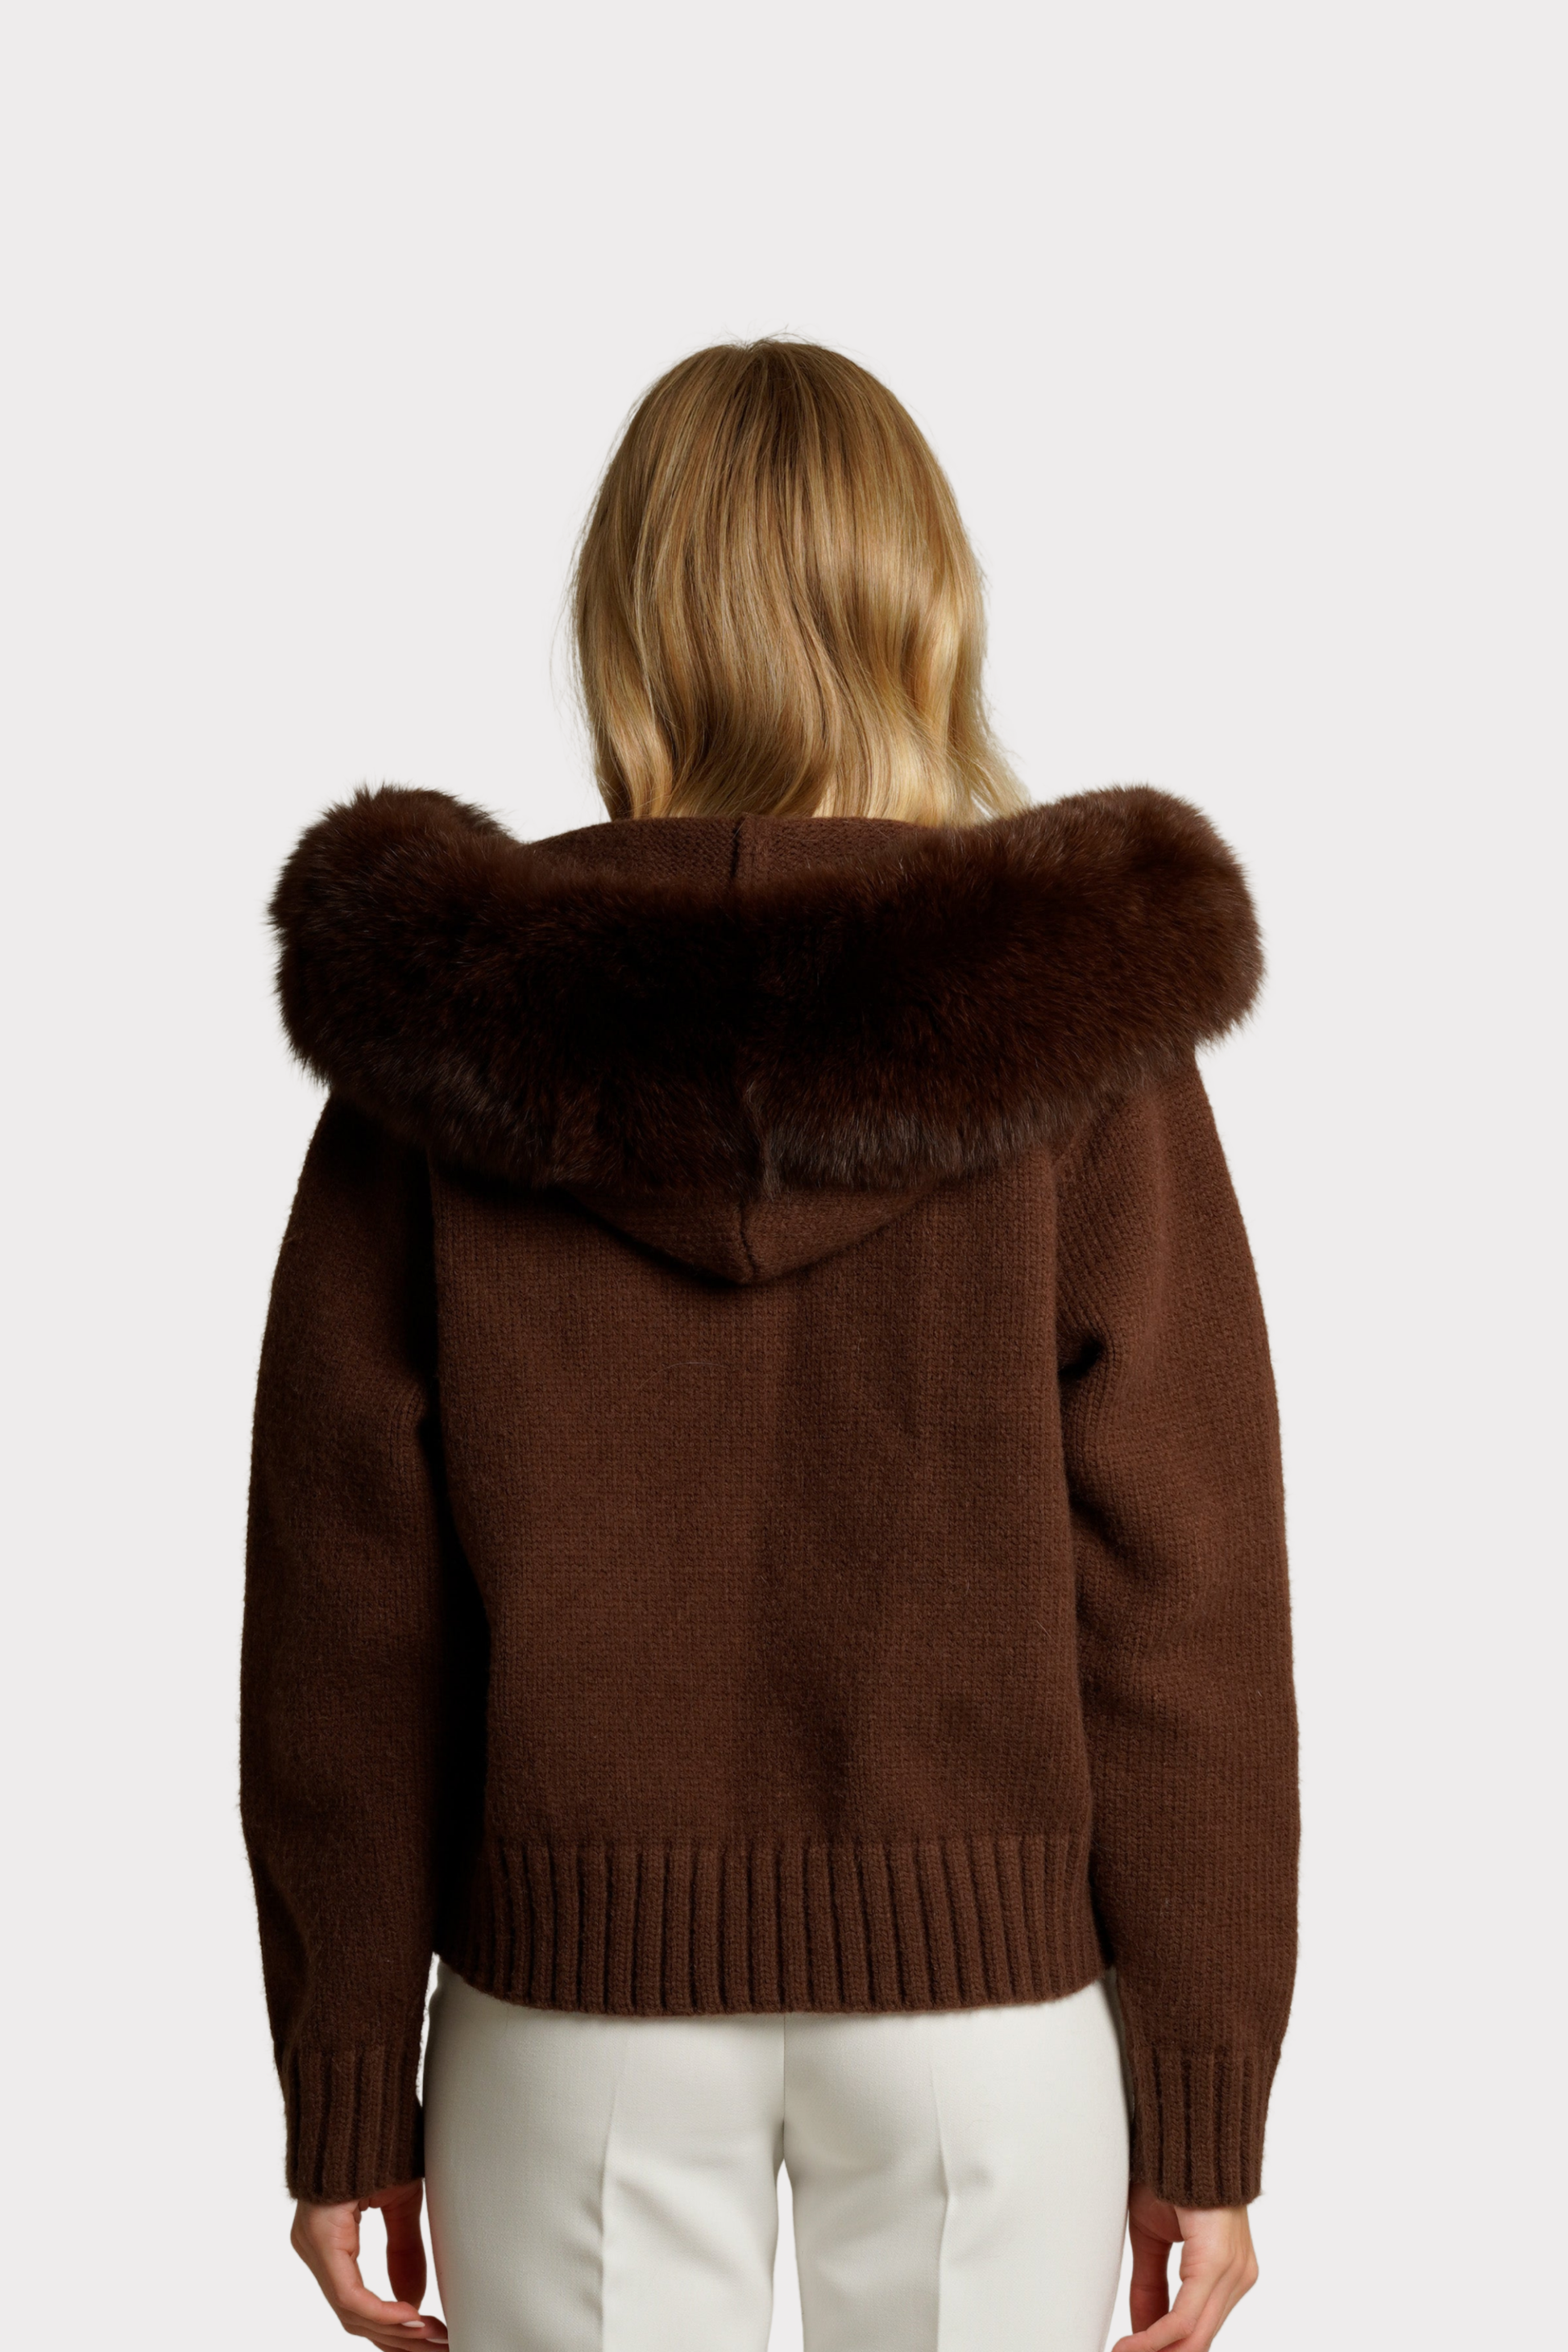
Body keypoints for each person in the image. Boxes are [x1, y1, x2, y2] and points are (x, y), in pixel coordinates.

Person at [243, 338, 1297, 2352]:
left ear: (627, 626)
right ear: (926, 612)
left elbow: (343, 1615)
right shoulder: (1076, 1036)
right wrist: (1202, 2088)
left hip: (571, 2014)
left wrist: (347, 2074)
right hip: (988, 2028)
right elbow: (1185, 1582)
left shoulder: (448, 1039)